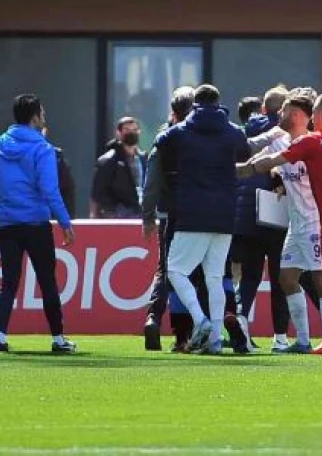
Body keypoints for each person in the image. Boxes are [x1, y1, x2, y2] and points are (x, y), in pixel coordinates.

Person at [154, 84, 250, 354]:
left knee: (175, 270)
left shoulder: (181, 131)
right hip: (224, 213)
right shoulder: (231, 131)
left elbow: (161, 142)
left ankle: (201, 321)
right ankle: (216, 338)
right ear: (219, 103)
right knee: (215, 276)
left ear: (194, 104)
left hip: (191, 212)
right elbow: (244, 152)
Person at [0, 94, 76, 354]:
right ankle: (57, 338)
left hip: (7, 225)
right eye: (42, 114)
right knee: (47, 281)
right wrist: (65, 222)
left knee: (8, 281)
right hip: (36, 224)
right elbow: (49, 189)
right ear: (35, 117)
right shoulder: (42, 149)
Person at [238, 94, 322, 354]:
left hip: (315, 222)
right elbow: (257, 164)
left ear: (300, 116)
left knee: (321, 280)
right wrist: (274, 175)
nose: (280, 115)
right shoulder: (279, 140)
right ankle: (303, 340)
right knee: (287, 278)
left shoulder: (314, 144)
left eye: (285, 111)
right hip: (295, 225)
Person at [234, 86, 293, 352]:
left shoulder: (243, 133)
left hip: (245, 213)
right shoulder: (285, 135)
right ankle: (280, 337)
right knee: (281, 278)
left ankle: (240, 326)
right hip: (276, 212)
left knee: (249, 277)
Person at [142, 86, 195, 351]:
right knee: (193, 273)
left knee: (166, 270)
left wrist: (147, 216)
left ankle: (155, 318)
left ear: (173, 112)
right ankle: (190, 333)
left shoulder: (163, 139)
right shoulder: (202, 137)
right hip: (200, 214)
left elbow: (151, 182)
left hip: (169, 214)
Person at [91, 117, 145, 219]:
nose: (131, 133)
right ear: (118, 133)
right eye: (127, 130)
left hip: (140, 214)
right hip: (117, 216)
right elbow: (97, 193)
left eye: (134, 130)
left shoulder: (143, 158)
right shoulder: (108, 161)